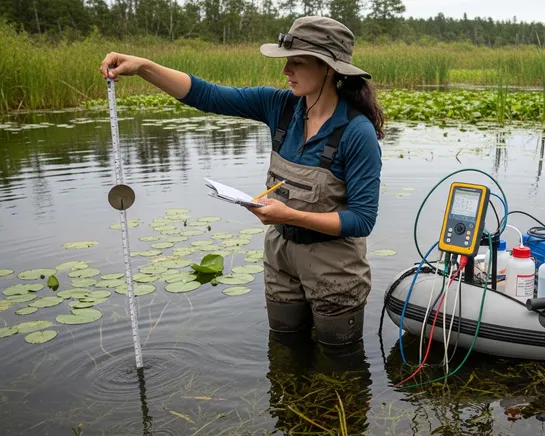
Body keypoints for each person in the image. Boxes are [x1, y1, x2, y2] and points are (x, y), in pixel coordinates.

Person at [100, 16, 383, 346]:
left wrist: (289, 215)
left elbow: (362, 220)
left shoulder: (357, 133)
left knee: (340, 363)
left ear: (328, 69)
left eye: (297, 62)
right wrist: (144, 67)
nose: (285, 70)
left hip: (334, 267)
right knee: (284, 350)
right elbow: (208, 96)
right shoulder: (279, 106)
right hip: (281, 257)